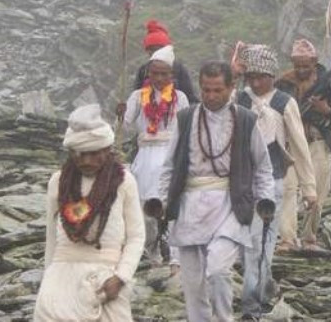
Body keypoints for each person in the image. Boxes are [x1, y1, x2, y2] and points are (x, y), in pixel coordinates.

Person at [156, 61, 275, 322]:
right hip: (189, 205)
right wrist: (163, 201)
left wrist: (266, 200)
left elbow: (263, 167)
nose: (211, 96)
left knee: (219, 271)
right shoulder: (186, 118)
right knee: (193, 283)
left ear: (232, 88)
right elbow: (169, 166)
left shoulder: (245, 119)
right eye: (206, 90)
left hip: (230, 205)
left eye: (217, 90)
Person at [35, 104, 145, 322]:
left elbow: (136, 236)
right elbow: (52, 238)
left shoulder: (123, 181)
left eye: (94, 154)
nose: (86, 161)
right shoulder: (59, 182)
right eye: (80, 154)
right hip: (61, 275)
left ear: (107, 150)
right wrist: (48, 281)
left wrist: (121, 277)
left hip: (107, 276)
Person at [235, 46, 316, 318]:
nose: (256, 83)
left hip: (273, 182)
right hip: (243, 184)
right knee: (250, 243)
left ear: (271, 76)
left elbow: (300, 146)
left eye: (261, 77)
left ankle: (252, 304)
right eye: (251, 77)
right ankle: (263, 288)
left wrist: (309, 188)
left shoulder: (284, 102)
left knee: (261, 243)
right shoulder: (240, 101)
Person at [120, 45, 190, 267]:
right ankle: (151, 253)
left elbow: (186, 129)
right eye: (155, 73)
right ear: (148, 74)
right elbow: (126, 126)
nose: (159, 78)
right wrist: (120, 113)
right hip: (146, 158)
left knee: (172, 205)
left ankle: (176, 255)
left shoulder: (180, 98)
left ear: (172, 75)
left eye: (164, 74)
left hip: (170, 156)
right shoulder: (137, 96)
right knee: (145, 207)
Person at [275, 39, 331, 252]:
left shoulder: (329, 82)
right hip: (291, 144)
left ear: (315, 61)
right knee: (288, 189)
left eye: (306, 66)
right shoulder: (283, 84)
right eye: (298, 66)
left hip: (318, 142)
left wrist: (325, 110)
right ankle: (287, 238)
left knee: (318, 191)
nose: (302, 70)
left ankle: (309, 236)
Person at [132, 19, 198, 103]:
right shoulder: (143, 71)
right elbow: (137, 99)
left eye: (158, 49)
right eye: (151, 49)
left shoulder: (179, 70)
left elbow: (190, 98)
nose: (155, 53)